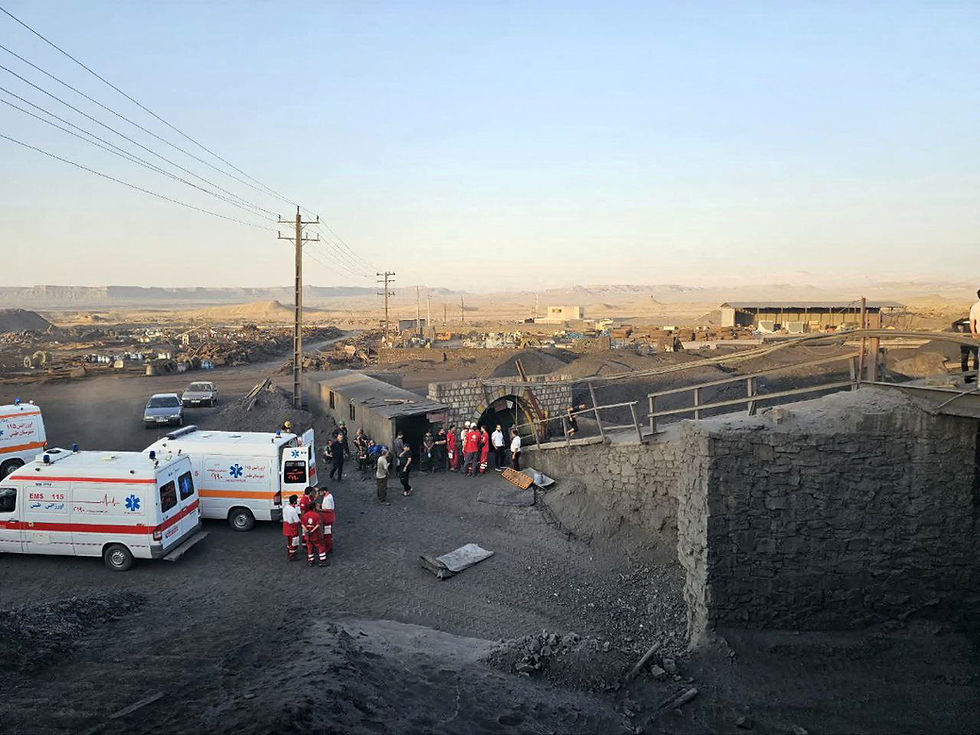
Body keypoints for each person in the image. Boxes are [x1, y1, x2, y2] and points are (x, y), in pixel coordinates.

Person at [316, 486, 336, 557]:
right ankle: (328, 545)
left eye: (320, 492)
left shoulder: (327, 498)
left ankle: (328, 547)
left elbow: (329, 509)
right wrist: (321, 506)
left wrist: (319, 509)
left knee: (327, 534)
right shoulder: (328, 496)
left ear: (324, 491)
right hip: (327, 518)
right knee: (327, 533)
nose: (320, 493)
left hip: (328, 518)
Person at [281, 494, 301, 562]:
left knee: (289, 540)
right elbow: (296, 520)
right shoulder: (292, 510)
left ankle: (289, 551)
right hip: (293, 527)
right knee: (294, 541)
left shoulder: (286, 507)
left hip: (286, 525)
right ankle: (292, 555)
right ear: (295, 501)